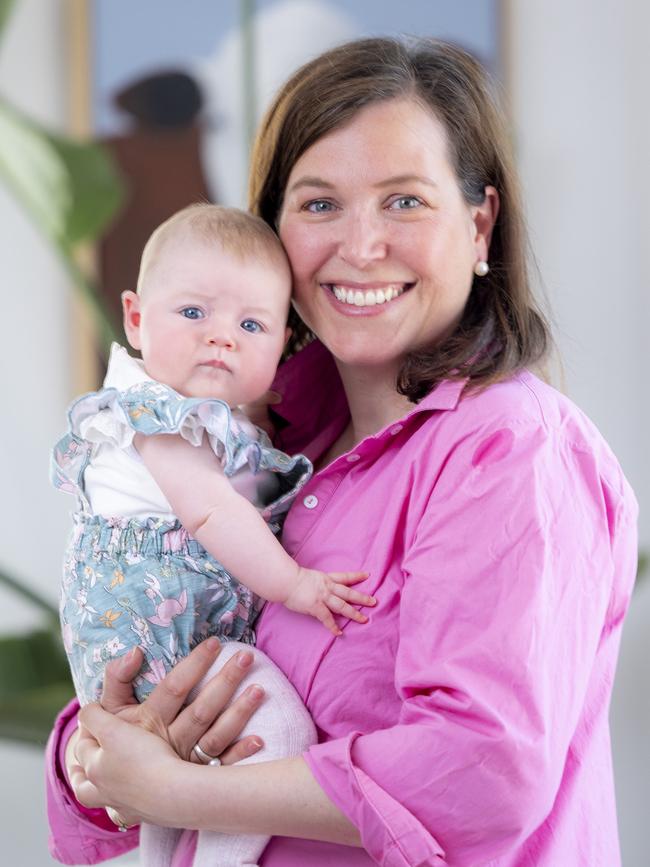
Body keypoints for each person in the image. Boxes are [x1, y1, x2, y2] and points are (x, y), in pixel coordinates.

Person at [46, 36, 638, 867]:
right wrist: (98, 757)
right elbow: (161, 722)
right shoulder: (279, 449)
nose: (360, 246)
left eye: (403, 202)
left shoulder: (510, 451)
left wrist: (175, 791)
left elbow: (485, 771)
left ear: (479, 227)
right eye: (320, 204)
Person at [51, 203, 373, 865]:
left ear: (282, 341)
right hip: (159, 639)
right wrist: (297, 584)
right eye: (194, 313)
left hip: (168, 639)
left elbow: (242, 502)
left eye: (250, 324)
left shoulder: (228, 426)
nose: (221, 337)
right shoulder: (158, 415)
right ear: (136, 318)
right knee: (277, 727)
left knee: (171, 793)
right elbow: (210, 514)